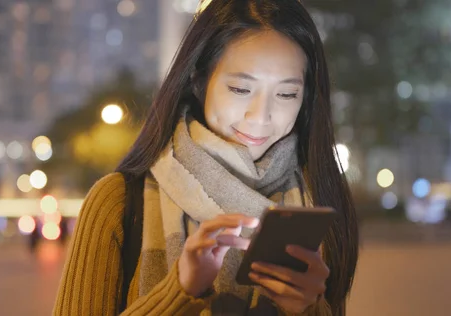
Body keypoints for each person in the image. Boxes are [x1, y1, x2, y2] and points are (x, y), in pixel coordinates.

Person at [53, 0, 358, 315]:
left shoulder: (314, 205)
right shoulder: (117, 203)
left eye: (286, 94)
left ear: (305, 99)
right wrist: (180, 290)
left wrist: (308, 309)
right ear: (198, 82)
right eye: (240, 89)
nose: (261, 117)